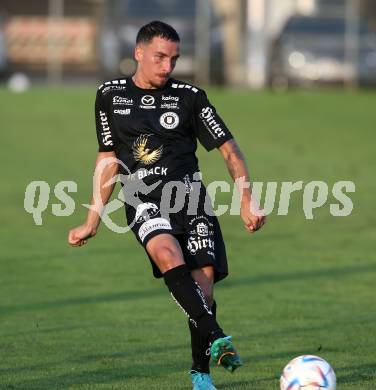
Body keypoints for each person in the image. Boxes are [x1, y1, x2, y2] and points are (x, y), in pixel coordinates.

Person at [68, 21, 265, 390]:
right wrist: (91, 219)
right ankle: (219, 338)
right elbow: (108, 158)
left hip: (190, 199)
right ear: (138, 53)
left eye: (173, 59)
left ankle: (200, 370)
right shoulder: (109, 95)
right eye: (160, 57)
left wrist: (247, 201)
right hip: (141, 197)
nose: (167, 67)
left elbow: (229, 148)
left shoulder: (190, 97)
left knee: (203, 290)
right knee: (165, 253)